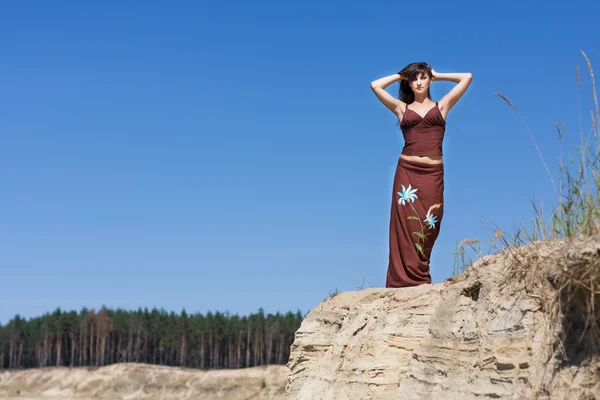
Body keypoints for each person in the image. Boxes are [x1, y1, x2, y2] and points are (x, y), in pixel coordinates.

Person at [370, 62, 472, 288]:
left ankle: (420, 275)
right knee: (405, 228)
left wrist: (437, 74)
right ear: (409, 81)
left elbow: (467, 77)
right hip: (407, 173)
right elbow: (375, 86)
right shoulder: (401, 109)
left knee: (429, 225)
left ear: (429, 80)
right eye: (414, 78)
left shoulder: (442, 106)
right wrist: (400, 75)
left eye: (422, 77)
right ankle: (402, 282)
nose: (418, 82)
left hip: (433, 174)